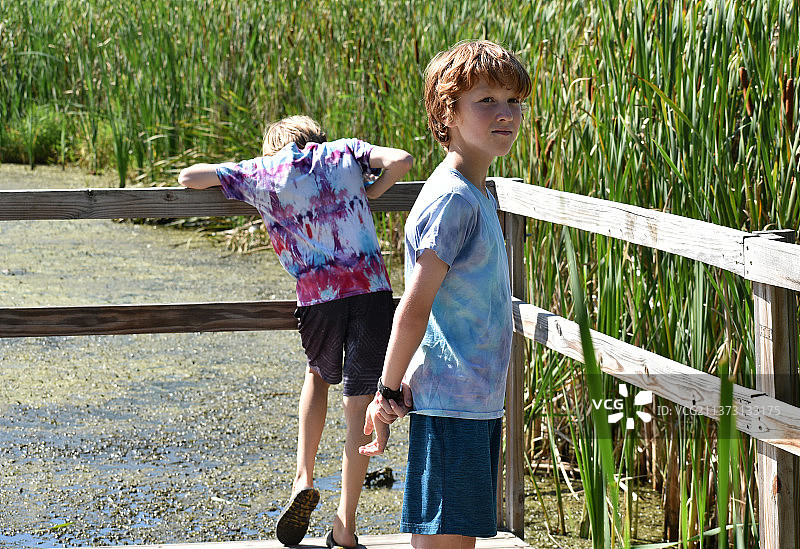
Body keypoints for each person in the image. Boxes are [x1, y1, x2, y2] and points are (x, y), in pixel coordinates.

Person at [178, 115, 413, 549]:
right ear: (315, 139)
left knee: (318, 376)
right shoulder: (342, 152)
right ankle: (346, 525)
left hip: (318, 296)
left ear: (275, 146)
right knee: (360, 403)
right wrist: (372, 190)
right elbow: (401, 159)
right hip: (371, 291)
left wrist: (245, 169)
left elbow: (189, 176)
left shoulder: (263, 171)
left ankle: (302, 477)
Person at [358, 40, 531, 549]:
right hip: (454, 406)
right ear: (448, 112)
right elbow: (413, 308)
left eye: (514, 101)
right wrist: (387, 390)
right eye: (486, 101)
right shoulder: (453, 198)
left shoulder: (474, 191)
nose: (506, 114)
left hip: (471, 402)